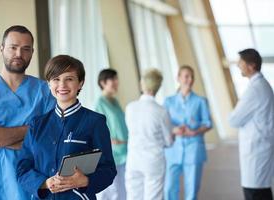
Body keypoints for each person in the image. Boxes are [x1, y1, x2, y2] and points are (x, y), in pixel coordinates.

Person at [16, 55, 117, 200]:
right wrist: (45, 183)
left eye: (69, 79)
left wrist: (85, 181)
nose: (62, 85)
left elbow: (108, 169)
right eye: (56, 79)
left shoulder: (95, 122)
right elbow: (22, 169)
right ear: (49, 84)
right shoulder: (37, 124)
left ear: (80, 83)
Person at [0, 25, 55, 199]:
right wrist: (33, 129)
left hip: (31, 178)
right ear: (2, 49)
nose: (19, 54)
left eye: (26, 49)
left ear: (32, 52)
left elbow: (49, 141)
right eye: (13, 47)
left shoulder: (45, 92)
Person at [229, 48, 274, 200]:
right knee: (262, 192)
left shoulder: (255, 90)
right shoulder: (262, 86)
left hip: (256, 152)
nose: (238, 65)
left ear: (251, 65)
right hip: (260, 150)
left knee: (256, 194)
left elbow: (233, 120)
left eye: (241, 62)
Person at [163, 65, 212, 200]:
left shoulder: (200, 101)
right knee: (169, 189)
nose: (189, 80)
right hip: (173, 150)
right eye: (186, 76)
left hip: (194, 149)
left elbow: (208, 123)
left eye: (192, 77)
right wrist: (174, 129)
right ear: (178, 78)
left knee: (192, 190)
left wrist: (195, 131)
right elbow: (163, 124)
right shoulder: (168, 101)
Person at [125, 68, 173, 200]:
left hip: (133, 160)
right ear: (158, 87)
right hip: (153, 161)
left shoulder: (130, 108)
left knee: (133, 197)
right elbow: (169, 141)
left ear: (142, 84)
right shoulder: (161, 111)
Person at [95, 69, 128, 200]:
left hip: (125, 151)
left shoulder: (115, 101)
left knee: (123, 190)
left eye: (116, 79)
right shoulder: (99, 103)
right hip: (112, 154)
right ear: (103, 83)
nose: (116, 82)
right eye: (112, 79)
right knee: (112, 192)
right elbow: (97, 130)